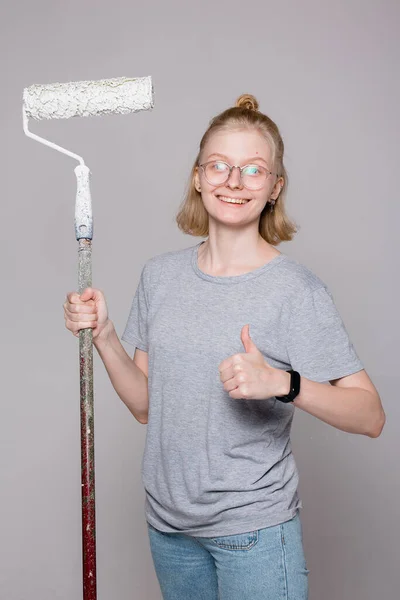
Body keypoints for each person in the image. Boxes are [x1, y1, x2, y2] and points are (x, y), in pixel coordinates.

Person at [63, 94, 385, 600]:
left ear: (275, 188)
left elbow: (370, 416)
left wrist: (283, 384)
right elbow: (147, 405)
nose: (234, 181)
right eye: (219, 165)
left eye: (253, 170)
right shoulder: (160, 276)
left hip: (253, 533)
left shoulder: (295, 291)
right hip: (170, 531)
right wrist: (104, 337)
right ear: (197, 177)